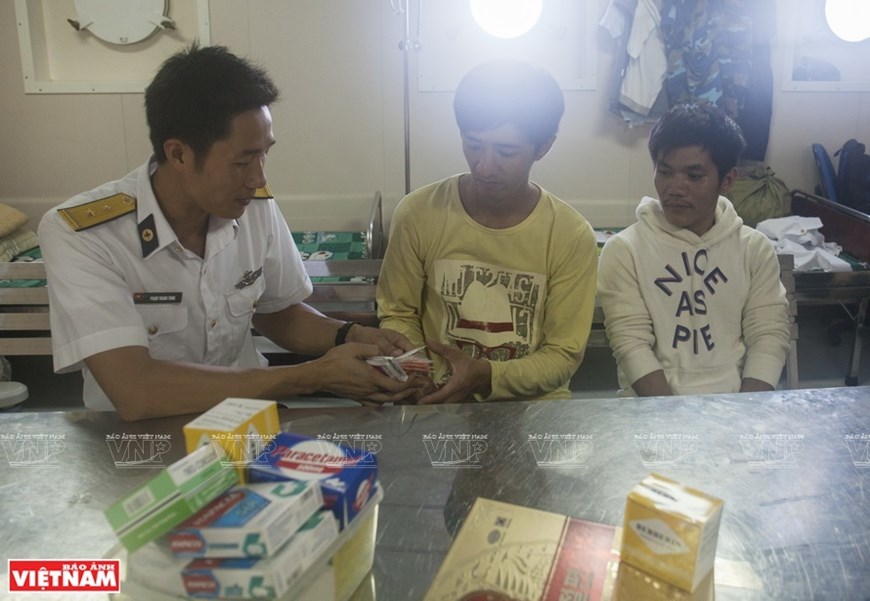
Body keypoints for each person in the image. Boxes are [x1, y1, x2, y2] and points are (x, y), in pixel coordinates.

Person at [37, 44, 418, 421]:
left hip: (248, 426)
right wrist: (311, 376)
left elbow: (278, 312)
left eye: (264, 154)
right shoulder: (83, 235)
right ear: (179, 154)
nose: (259, 178)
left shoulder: (252, 206)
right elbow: (137, 390)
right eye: (241, 161)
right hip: (144, 443)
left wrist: (348, 336)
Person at [376, 58, 598, 404]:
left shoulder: (569, 235)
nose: (484, 166)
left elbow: (562, 355)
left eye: (506, 152)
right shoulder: (420, 213)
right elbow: (398, 312)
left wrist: (488, 377)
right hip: (437, 401)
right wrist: (416, 370)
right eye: (473, 145)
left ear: (544, 146)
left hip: (534, 411)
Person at [597, 102, 789, 396]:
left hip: (736, 408)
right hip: (652, 411)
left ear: (727, 180)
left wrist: (747, 417)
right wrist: (677, 426)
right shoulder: (624, 250)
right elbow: (631, 344)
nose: (675, 187)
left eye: (694, 176)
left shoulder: (753, 249)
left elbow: (768, 337)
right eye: (665, 171)